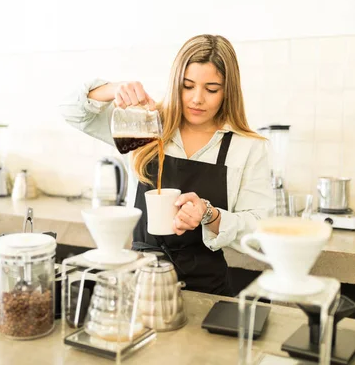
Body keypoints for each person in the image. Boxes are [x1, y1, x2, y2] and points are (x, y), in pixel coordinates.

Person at [60, 34, 274, 296]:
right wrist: (112, 89)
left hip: (206, 291)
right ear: (175, 84)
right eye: (187, 85)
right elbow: (70, 110)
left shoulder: (248, 147)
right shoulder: (145, 123)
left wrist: (210, 215)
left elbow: (261, 230)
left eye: (211, 89)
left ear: (228, 91)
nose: (197, 99)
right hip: (141, 283)